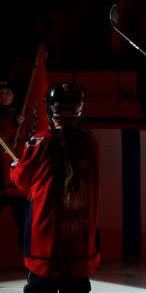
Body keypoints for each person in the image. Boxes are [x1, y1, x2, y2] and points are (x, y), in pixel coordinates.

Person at [10, 82, 101, 293]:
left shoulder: (40, 142)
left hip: (46, 246)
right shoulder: (90, 141)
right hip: (80, 243)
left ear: (50, 109)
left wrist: (16, 166)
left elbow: (22, 180)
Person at [0, 80, 26, 250]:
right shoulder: (15, 121)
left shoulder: (22, 115)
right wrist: (14, 126)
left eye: (7, 92)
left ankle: (28, 260)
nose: (3, 95)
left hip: (15, 182)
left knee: (24, 224)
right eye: (1, 92)